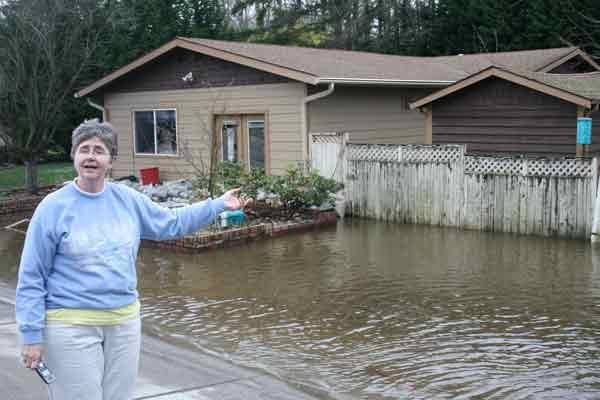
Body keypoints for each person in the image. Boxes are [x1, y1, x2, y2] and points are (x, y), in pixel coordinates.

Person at [16, 119, 248, 400]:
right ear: (74, 156)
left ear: (111, 161)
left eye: (99, 150)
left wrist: (217, 205)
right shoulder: (52, 208)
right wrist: (31, 335)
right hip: (70, 324)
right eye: (84, 149)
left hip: (123, 322)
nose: (91, 156)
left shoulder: (127, 199)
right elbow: (31, 276)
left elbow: (171, 223)